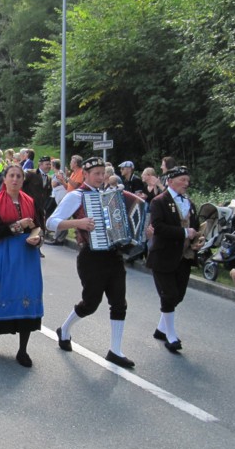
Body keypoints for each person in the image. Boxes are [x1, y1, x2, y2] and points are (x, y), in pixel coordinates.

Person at [47, 156, 135, 369]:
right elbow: (50, 222)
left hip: (113, 255)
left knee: (119, 303)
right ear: (84, 174)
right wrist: (79, 223)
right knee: (90, 304)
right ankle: (65, 329)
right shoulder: (76, 196)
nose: (100, 177)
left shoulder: (109, 196)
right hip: (91, 257)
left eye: (102, 173)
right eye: (95, 174)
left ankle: (115, 350)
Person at [0, 164, 44, 367]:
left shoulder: (30, 201)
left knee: (27, 295)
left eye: (19, 176)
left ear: (23, 180)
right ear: (4, 179)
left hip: (26, 256)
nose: (15, 179)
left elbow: (38, 227)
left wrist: (36, 238)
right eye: (11, 176)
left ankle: (22, 350)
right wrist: (17, 226)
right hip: (3, 253)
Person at [145, 165, 201, 354]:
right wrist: (185, 232)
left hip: (183, 256)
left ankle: (161, 329)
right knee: (168, 295)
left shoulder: (189, 203)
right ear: (170, 181)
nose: (187, 183)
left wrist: (196, 241)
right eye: (182, 180)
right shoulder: (159, 201)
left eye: (187, 179)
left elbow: (195, 227)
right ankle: (171, 336)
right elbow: (158, 227)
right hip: (163, 255)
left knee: (178, 296)